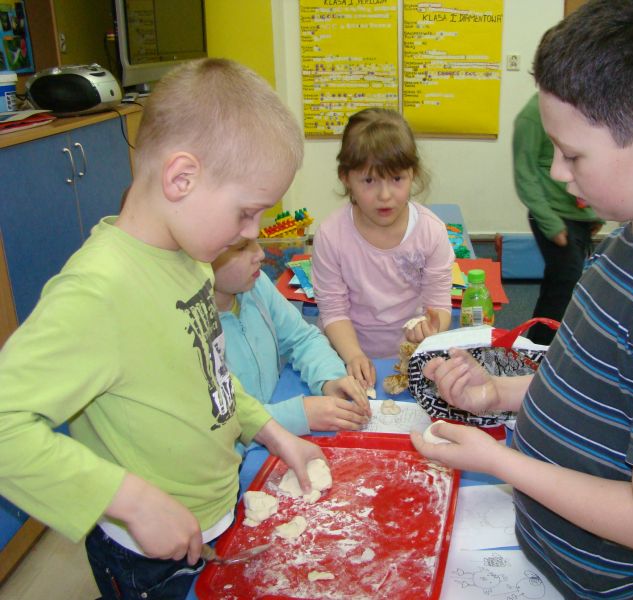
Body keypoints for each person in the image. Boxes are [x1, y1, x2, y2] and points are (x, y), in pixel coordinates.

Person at [411, 1, 633, 598]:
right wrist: (499, 393)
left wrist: (499, 463)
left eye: (572, 154)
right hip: (556, 557)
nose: (557, 171)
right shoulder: (632, 240)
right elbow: (597, 387)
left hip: (617, 586)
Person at [0, 58, 326, 599]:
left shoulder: (191, 260)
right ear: (181, 178)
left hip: (215, 509)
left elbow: (209, 375)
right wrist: (132, 501)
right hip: (144, 554)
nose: (251, 232)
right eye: (246, 213)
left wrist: (273, 433)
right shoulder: (99, 292)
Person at [312, 108, 454, 389]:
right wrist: (353, 355)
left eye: (397, 179)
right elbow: (334, 310)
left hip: (408, 357)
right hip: (346, 352)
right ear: (346, 178)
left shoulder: (431, 232)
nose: (385, 195)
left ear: (413, 174)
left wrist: (430, 327)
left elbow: (439, 303)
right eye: (369, 181)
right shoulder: (330, 236)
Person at [212, 238, 371, 439]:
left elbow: (303, 339)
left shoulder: (257, 286)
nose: (261, 254)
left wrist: (330, 380)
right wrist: (296, 415)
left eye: (255, 241)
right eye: (242, 247)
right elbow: (216, 422)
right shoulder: (189, 331)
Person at [512, 92, 603, 345]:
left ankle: (544, 347)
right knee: (563, 286)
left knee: (565, 285)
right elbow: (524, 173)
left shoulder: (581, 105)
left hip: (580, 214)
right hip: (553, 216)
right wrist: (550, 223)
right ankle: (539, 349)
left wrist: (595, 211)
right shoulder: (532, 116)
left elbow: (589, 160)